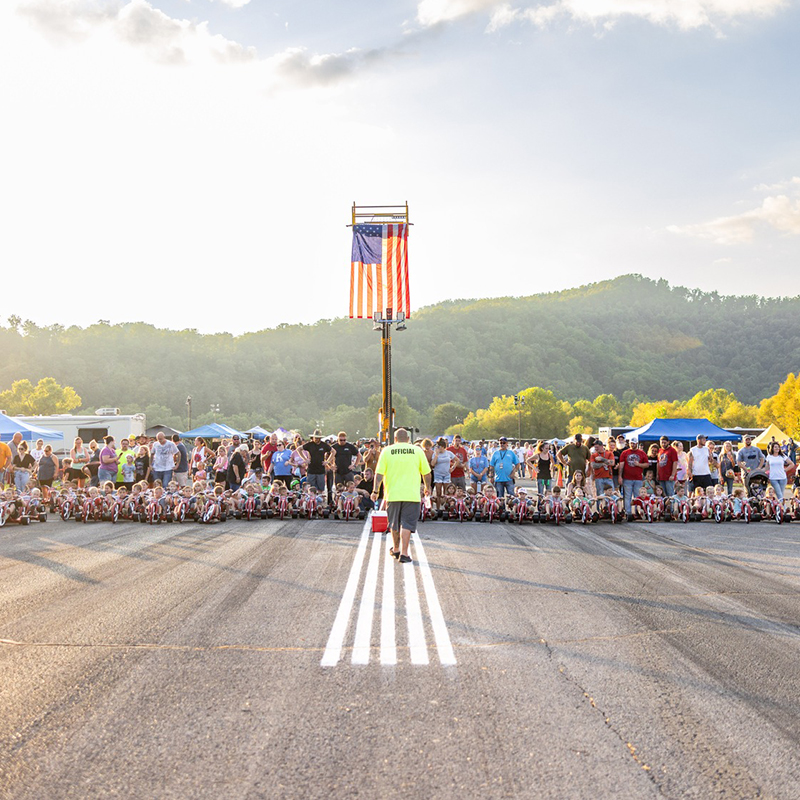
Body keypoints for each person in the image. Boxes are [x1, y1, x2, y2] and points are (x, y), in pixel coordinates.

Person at [371, 428, 432, 564]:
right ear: (409, 439)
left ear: (395, 439)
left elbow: (379, 474)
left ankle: (396, 549)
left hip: (392, 494)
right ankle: (404, 553)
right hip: (411, 494)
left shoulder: (387, 451)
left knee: (394, 523)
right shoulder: (417, 451)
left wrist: (375, 491)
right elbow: (426, 473)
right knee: (407, 523)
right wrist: (427, 488)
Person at [617, 437, 650, 518]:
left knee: (637, 496)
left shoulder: (642, 453)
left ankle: (637, 512)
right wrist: (620, 476)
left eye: (634, 443)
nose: (633, 445)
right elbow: (621, 465)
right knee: (627, 496)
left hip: (638, 478)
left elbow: (647, 464)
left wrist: (638, 464)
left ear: (637, 444)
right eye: (631, 443)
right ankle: (628, 512)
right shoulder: (625, 453)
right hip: (627, 478)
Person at [303, 429, 331, 495]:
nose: (316, 439)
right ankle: (311, 501)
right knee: (310, 488)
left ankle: (320, 502)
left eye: (318, 438)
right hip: (311, 469)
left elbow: (333, 451)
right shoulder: (310, 444)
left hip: (320, 470)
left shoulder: (324, 445)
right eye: (315, 438)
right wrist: (305, 458)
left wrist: (327, 461)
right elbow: (299, 449)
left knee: (321, 488)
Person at [430, 438, 455, 510]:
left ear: (443, 446)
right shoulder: (435, 454)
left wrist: (452, 468)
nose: (438, 448)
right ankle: (438, 508)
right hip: (438, 474)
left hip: (446, 474)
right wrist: (436, 455)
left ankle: (445, 508)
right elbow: (432, 464)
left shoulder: (448, 453)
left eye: (439, 446)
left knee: (446, 493)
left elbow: (457, 460)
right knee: (438, 492)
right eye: (437, 446)